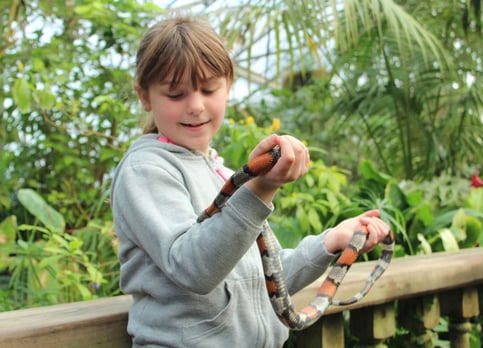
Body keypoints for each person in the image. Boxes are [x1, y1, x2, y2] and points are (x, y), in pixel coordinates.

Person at [110, 15, 390, 347]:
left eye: (209, 88)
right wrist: (261, 187)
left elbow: (264, 278)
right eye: (175, 94)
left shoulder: (223, 174)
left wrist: (331, 241)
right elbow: (193, 268)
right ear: (145, 96)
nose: (195, 106)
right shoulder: (145, 170)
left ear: (228, 87)